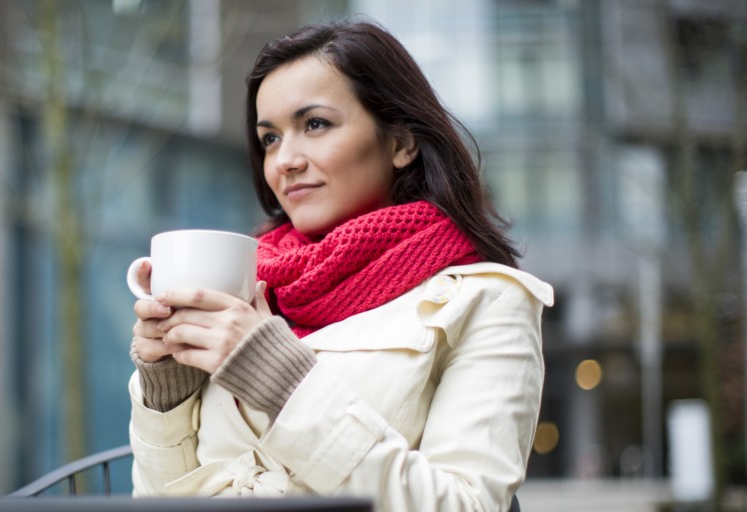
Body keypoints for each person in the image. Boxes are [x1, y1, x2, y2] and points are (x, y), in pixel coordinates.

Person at [127, 18, 553, 512]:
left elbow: (464, 506)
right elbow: (158, 500)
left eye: (315, 125)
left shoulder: (488, 300)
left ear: (400, 143)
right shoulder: (251, 289)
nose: (284, 160)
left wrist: (283, 381)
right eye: (269, 138)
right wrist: (168, 391)